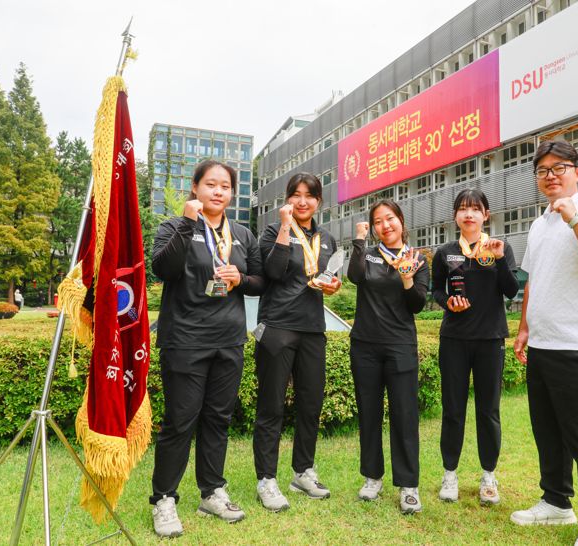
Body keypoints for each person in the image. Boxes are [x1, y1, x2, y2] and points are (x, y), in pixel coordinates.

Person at [511, 140, 578, 546]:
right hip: (543, 344)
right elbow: (534, 281)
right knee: (549, 432)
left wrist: (575, 219)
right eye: (542, 170)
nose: (551, 175)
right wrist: (525, 328)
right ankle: (556, 502)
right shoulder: (539, 225)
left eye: (560, 167)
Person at [149, 160, 264, 538]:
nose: (218, 191)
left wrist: (240, 277)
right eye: (210, 184)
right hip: (185, 339)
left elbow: (261, 281)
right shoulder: (174, 225)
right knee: (181, 420)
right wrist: (186, 222)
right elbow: (163, 269)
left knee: (218, 418)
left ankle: (211, 490)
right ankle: (164, 499)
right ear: (195, 187)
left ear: (233, 192)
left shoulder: (243, 234)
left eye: (225, 186)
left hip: (229, 339)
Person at [253, 172, 341, 512]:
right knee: (271, 406)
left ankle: (303, 471)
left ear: (319, 200)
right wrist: (286, 226)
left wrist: (333, 286)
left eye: (310, 195)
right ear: (287, 198)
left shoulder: (326, 238)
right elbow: (273, 272)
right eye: (296, 194)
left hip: (312, 329)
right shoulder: (274, 231)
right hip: (277, 327)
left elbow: (326, 277)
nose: (302, 201)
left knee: (310, 403)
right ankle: (266, 479)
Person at [431, 188, 519, 506]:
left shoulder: (499, 248)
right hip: (454, 339)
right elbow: (434, 291)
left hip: (490, 340)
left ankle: (488, 477)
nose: (469, 214)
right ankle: (450, 475)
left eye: (475, 209)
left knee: (488, 412)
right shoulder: (445, 252)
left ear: (486, 215)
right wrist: (448, 302)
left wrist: (498, 260)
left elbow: (511, 291)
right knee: (453, 411)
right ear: (455, 216)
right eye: (463, 209)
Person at [347, 200, 429, 515]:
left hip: (400, 346)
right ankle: (372, 477)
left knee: (404, 416)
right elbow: (355, 276)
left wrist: (408, 277)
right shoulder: (368, 255)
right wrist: (359, 239)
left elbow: (417, 304)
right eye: (378, 221)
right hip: (365, 346)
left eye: (390, 219)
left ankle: (409, 485)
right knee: (369, 414)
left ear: (401, 221)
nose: (385, 225)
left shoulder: (417, 258)